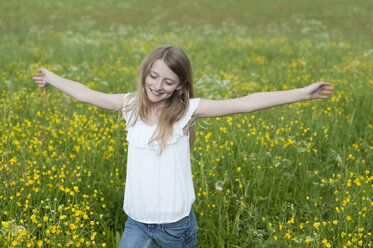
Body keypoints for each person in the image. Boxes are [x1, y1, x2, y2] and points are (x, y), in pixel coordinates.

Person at [32, 45, 334, 248]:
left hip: (176, 227)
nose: (157, 86)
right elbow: (85, 93)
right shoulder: (129, 106)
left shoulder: (188, 110)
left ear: (180, 85)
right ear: (145, 73)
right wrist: (50, 76)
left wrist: (303, 94)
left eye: (168, 81)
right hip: (136, 223)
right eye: (153, 76)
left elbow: (247, 103)